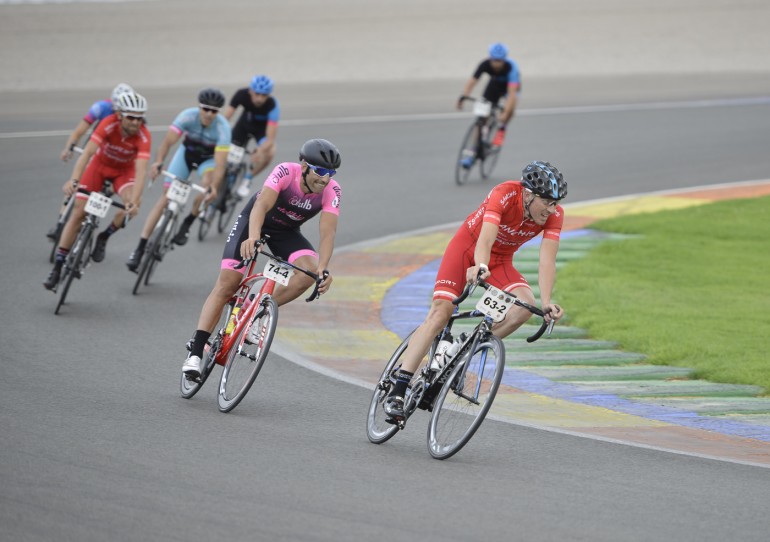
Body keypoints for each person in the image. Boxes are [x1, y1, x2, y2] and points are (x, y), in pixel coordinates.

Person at [382, 161, 567, 420]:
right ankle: (399, 388)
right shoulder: (505, 194)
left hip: (501, 261)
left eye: (555, 203)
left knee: (524, 307)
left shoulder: (554, 216)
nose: (551, 209)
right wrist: (480, 265)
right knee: (441, 313)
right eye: (546, 202)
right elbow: (486, 238)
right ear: (528, 194)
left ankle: (461, 354)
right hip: (468, 250)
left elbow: (547, 260)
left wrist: (547, 302)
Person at [181, 138, 342, 379]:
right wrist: (253, 237)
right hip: (253, 223)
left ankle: (255, 310)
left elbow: (328, 232)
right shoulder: (285, 172)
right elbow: (261, 205)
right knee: (228, 283)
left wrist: (323, 269)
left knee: (308, 273)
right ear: (304, 166)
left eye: (331, 173)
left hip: (285, 233)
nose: (325, 179)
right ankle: (195, 352)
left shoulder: (332, 191)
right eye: (320, 171)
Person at [44, 91, 151, 290]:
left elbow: (141, 171)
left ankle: (104, 236)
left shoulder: (144, 136)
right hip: (99, 167)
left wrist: (133, 202)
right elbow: (87, 154)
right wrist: (74, 180)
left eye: (140, 118)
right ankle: (57, 267)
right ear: (119, 115)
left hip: (123, 173)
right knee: (78, 213)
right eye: (131, 117)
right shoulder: (108, 123)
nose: (136, 122)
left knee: (133, 204)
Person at [126, 88, 231, 272]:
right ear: (199, 107)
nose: (209, 114)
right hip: (186, 155)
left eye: (214, 111)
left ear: (218, 112)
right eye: (205, 109)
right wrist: (158, 162)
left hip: (208, 160)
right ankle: (139, 248)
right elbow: (167, 142)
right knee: (165, 198)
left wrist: (214, 187)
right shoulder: (187, 116)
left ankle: (187, 222)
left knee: (207, 185)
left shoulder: (223, 128)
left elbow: (220, 164)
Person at [457, 42, 521, 168]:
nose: (496, 64)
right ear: (490, 58)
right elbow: (472, 81)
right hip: (494, 86)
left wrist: (506, 113)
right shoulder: (485, 64)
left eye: (499, 61)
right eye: (494, 60)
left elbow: (512, 94)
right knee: (481, 119)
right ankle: (473, 151)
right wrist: (463, 96)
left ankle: (501, 129)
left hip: (510, 88)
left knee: (509, 110)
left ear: (504, 59)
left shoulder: (511, 68)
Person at [222, 75, 280, 199]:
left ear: (269, 95)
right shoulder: (241, 94)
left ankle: (247, 178)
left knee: (270, 151)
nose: (260, 98)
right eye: (257, 94)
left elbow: (270, 139)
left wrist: (260, 151)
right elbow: (224, 120)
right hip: (243, 126)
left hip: (261, 131)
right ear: (250, 91)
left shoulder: (272, 105)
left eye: (264, 95)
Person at [59, 83, 134, 162]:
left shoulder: (136, 115)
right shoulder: (101, 107)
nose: (119, 115)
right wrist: (68, 149)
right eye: (118, 110)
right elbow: (78, 132)